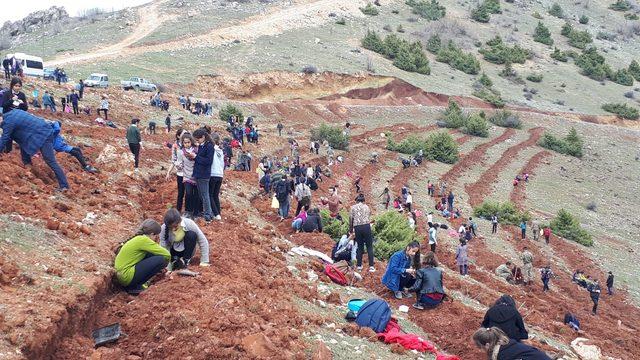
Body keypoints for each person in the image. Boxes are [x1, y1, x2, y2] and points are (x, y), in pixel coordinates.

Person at [0, 110, 70, 191]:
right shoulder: (12, 113)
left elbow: (5, 138)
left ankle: (64, 185)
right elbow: (9, 137)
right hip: (39, 131)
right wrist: (6, 151)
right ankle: (28, 167)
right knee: (24, 147)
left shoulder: (8, 122)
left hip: (43, 134)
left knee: (50, 160)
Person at [114, 219, 170, 295]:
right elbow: (167, 254)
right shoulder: (144, 240)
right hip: (127, 277)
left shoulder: (139, 238)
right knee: (161, 259)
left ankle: (135, 285)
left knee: (151, 254)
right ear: (152, 234)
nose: (157, 239)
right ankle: (135, 287)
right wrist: (166, 266)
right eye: (156, 236)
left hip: (122, 276)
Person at [473, 327, 551, 360]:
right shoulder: (507, 345)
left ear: (487, 345)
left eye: (480, 347)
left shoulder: (504, 355)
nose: (480, 350)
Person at [193, 128, 214, 222]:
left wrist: (196, 157)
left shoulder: (209, 146)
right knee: (202, 195)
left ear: (203, 137)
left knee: (205, 195)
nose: (197, 141)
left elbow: (208, 161)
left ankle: (208, 214)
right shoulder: (202, 146)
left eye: (198, 139)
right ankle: (208, 212)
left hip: (203, 174)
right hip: (198, 173)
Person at [350, 194, 375, 272]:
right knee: (369, 246)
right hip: (366, 226)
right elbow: (369, 216)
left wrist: (351, 230)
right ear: (363, 201)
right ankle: (371, 266)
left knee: (360, 247)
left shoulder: (353, 207)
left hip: (357, 227)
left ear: (357, 201)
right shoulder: (366, 207)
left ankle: (359, 266)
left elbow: (351, 219)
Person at [209, 132, 224, 221]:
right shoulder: (220, 150)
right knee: (215, 195)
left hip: (213, 173)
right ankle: (218, 213)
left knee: (210, 195)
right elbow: (222, 164)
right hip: (220, 174)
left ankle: (216, 213)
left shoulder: (212, 149)